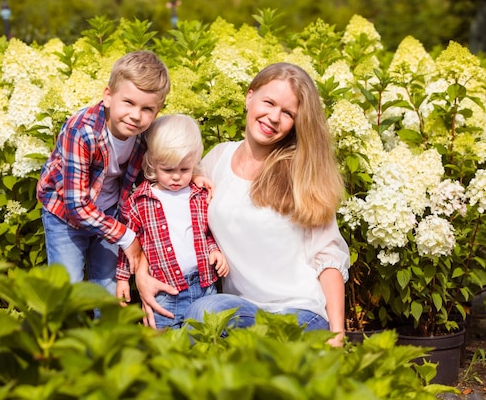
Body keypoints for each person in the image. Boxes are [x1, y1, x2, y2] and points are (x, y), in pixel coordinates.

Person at [135, 62, 350, 346]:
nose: (274, 117)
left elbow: (328, 258)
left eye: (287, 113)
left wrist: (337, 335)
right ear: (250, 97)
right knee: (204, 311)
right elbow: (163, 218)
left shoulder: (303, 174)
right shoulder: (217, 159)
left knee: (212, 320)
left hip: (299, 314)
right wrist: (141, 273)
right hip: (240, 311)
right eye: (269, 102)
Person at [36, 50, 170, 295]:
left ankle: (106, 331)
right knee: (67, 286)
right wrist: (126, 237)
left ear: (157, 111)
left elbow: (174, 157)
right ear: (108, 96)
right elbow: (75, 205)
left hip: (109, 211)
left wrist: (195, 175)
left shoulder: (145, 134)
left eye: (147, 109)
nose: (136, 116)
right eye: (128, 102)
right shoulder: (82, 131)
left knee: (108, 286)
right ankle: (64, 331)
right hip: (64, 212)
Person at [116, 114, 229, 329]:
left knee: (207, 339)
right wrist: (122, 278)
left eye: (184, 170)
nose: (176, 177)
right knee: (163, 347)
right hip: (165, 291)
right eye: (168, 170)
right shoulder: (141, 200)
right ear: (152, 163)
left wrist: (214, 250)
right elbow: (129, 243)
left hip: (203, 284)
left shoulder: (197, 194)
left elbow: (205, 232)